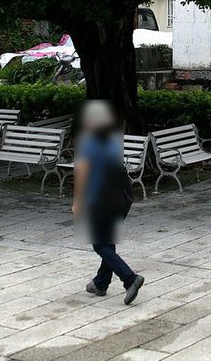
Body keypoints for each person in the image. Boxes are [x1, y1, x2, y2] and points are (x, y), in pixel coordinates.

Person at [72, 100, 144, 305]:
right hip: (123, 195)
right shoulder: (112, 140)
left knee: (100, 243)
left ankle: (130, 278)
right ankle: (101, 282)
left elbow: (83, 172)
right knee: (108, 239)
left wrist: (78, 201)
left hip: (103, 198)